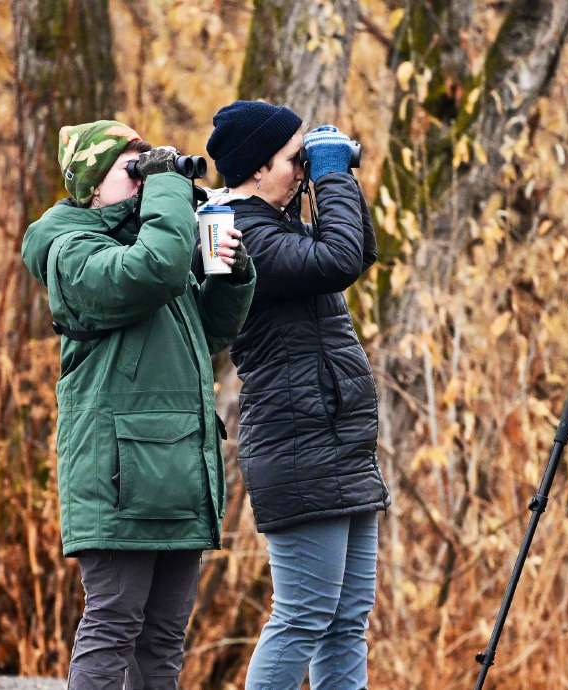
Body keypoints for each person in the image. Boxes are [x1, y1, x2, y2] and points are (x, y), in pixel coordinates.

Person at [20, 120, 257, 690]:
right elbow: (155, 269)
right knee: (114, 625)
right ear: (93, 185)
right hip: (119, 476)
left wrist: (231, 273)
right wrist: (172, 189)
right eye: (133, 170)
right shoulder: (72, 251)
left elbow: (211, 331)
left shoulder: (149, 243)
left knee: (163, 640)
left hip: (174, 471)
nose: (147, 180)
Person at [203, 101, 389, 689]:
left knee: (347, 619)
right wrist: (332, 173)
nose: (304, 166)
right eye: (295, 157)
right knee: (304, 616)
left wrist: (337, 177)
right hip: (297, 443)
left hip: (336, 440)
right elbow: (337, 261)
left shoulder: (278, 225)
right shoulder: (241, 232)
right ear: (258, 168)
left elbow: (359, 250)